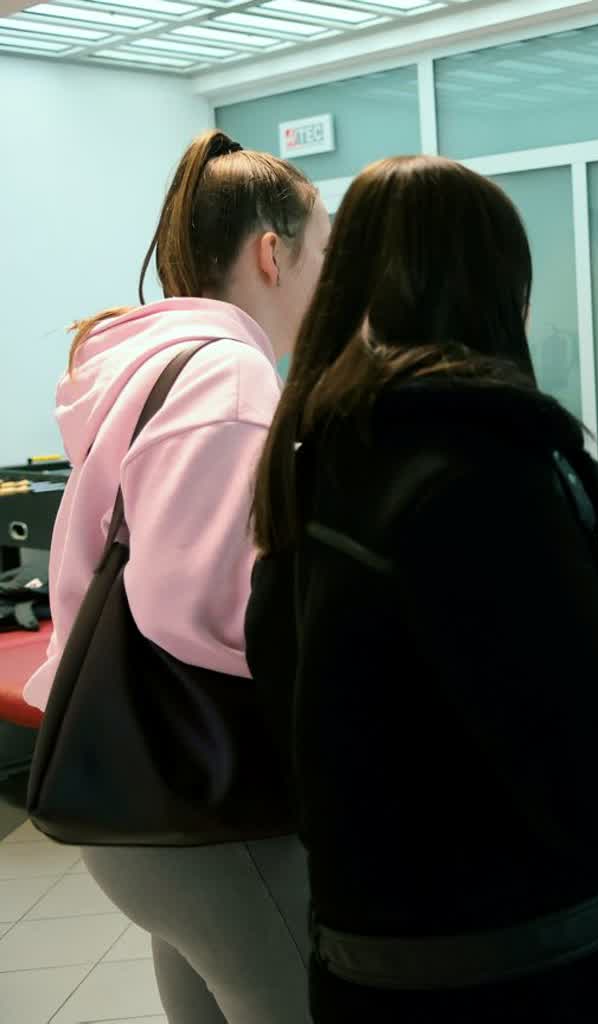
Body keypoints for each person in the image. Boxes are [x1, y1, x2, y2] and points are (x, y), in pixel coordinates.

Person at [244, 155, 598, 1023]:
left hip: (379, 949)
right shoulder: (490, 472)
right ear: (505, 293)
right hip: (539, 961)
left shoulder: (319, 454)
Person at [20, 130, 328, 1023]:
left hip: (145, 787)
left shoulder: (146, 362)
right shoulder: (228, 378)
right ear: (272, 254)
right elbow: (207, 611)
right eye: (325, 251)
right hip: (214, 795)